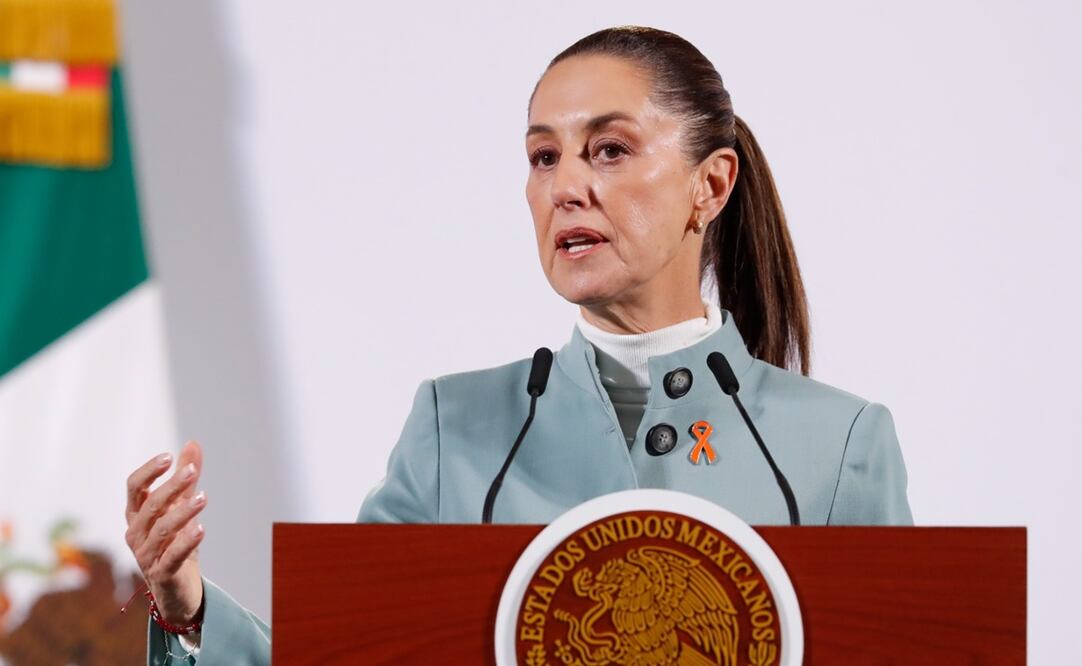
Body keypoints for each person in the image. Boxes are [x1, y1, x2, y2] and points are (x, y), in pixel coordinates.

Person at [123, 25, 913, 665]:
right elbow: (338, 659)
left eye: (609, 149)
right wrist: (191, 611)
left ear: (709, 185)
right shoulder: (453, 427)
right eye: (544, 157)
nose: (567, 185)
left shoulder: (839, 443)